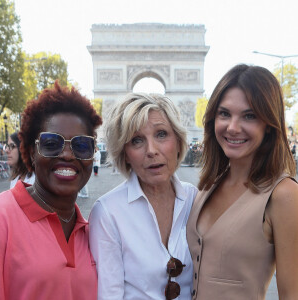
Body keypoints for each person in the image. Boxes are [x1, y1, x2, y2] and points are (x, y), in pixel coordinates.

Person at [186, 64, 298, 299]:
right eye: (224, 113)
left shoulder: (284, 195)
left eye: (249, 116)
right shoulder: (209, 184)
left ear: (269, 125)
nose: (233, 127)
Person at [0, 82, 102, 300]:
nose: (67, 155)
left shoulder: (95, 231)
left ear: (92, 154)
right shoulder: (2, 217)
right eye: (51, 143)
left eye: (82, 145)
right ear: (31, 152)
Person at [89, 93, 198, 300]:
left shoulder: (195, 199)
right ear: (125, 153)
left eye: (161, 134)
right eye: (137, 140)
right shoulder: (107, 212)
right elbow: (109, 295)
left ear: (178, 139)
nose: (151, 150)